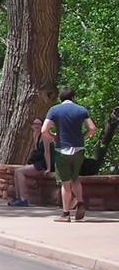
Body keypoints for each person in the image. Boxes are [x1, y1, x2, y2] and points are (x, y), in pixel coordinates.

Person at [43, 86, 98, 222]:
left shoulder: (54, 110)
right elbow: (92, 128)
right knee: (75, 179)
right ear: (73, 97)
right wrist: (83, 137)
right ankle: (80, 202)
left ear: (61, 97)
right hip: (79, 149)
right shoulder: (81, 110)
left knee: (65, 183)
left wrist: (53, 137)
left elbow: (44, 129)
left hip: (62, 150)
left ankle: (66, 214)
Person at [8, 118, 55, 208]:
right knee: (17, 171)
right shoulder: (35, 135)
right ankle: (18, 198)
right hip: (40, 161)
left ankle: (23, 199)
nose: (37, 126)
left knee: (21, 172)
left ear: (42, 125)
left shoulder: (45, 135)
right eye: (35, 124)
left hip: (46, 163)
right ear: (32, 126)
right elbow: (37, 151)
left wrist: (48, 168)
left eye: (39, 124)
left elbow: (47, 152)